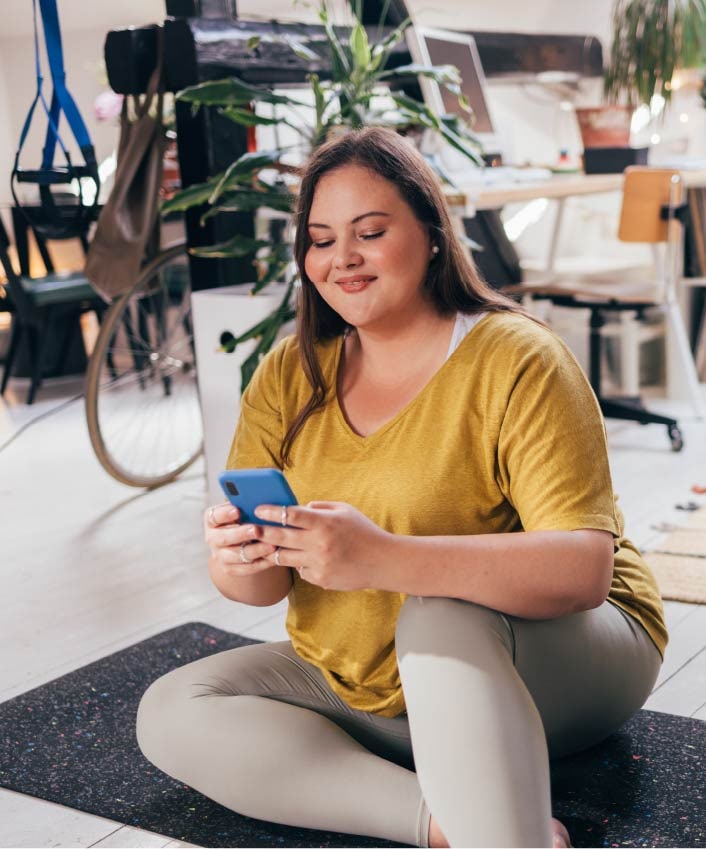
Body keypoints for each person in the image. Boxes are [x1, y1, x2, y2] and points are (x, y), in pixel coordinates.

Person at [136, 127, 667, 848]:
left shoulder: (517, 358)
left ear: (433, 233)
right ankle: (449, 819)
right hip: (369, 676)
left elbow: (584, 571)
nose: (341, 258)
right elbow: (262, 593)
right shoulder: (288, 372)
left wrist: (382, 556)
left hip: (556, 654)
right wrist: (238, 561)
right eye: (320, 239)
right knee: (174, 707)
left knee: (439, 616)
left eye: (370, 231)